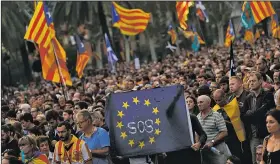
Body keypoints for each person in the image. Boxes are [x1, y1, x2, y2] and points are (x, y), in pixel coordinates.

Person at [241, 71, 276, 164]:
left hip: (266, 133)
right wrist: (255, 114)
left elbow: (263, 114)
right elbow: (243, 116)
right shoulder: (248, 98)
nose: (251, 83)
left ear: (260, 81)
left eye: (253, 81)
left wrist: (251, 113)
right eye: (250, 81)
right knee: (255, 161)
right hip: (253, 136)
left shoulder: (268, 95)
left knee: (268, 160)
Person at [196, 95, 230, 164]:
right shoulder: (197, 117)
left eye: (201, 102)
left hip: (217, 149)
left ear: (208, 103)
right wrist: (198, 143)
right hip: (204, 151)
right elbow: (197, 133)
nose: (199, 104)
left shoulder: (216, 115)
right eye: (198, 102)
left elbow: (224, 132)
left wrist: (212, 142)